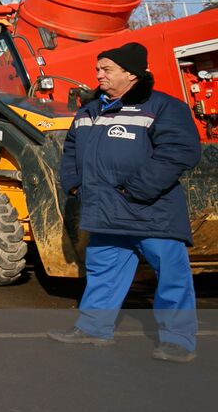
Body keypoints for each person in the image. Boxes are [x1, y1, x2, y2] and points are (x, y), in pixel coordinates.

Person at [49, 42, 202, 362]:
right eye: (98, 69)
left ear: (131, 74)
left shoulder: (163, 107)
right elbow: (72, 151)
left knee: (173, 278)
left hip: (152, 213)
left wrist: (137, 190)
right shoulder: (88, 111)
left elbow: (179, 152)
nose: (98, 75)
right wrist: (74, 186)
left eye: (107, 69)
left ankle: (178, 340)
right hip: (105, 212)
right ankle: (94, 328)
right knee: (103, 272)